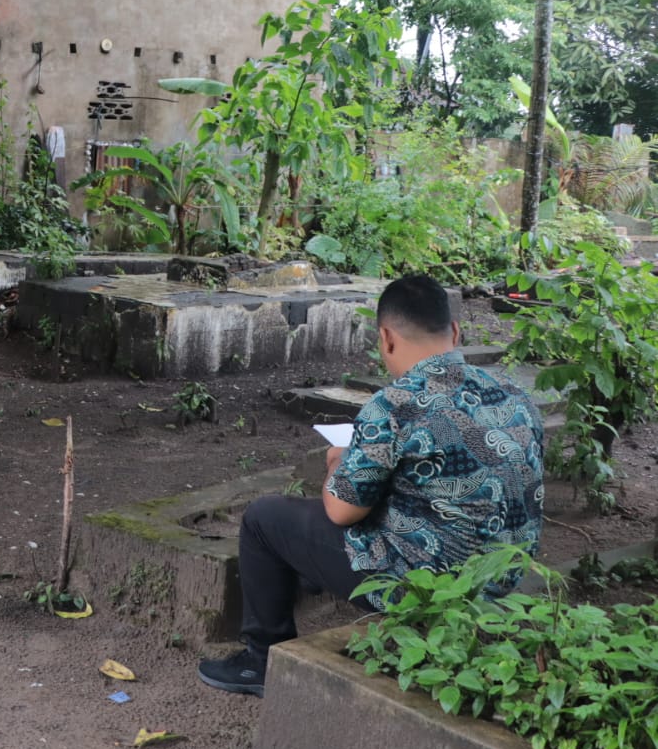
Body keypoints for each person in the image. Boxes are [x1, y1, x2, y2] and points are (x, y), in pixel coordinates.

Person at [197, 274, 544, 697]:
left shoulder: (394, 404)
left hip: (427, 588)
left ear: (386, 338)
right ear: (454, 331)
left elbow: (341, 511)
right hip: (500, 577)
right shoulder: (515, 393)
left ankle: (263, 659)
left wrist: (337, 466)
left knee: (265, 518)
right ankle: (304, 576)